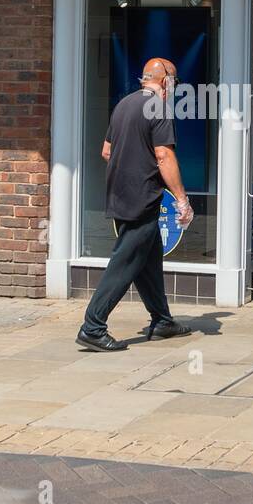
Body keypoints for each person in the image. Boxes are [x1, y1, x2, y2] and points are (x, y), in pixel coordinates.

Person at [77, 58, 194, 352]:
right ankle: (93, 326)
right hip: (141, 198)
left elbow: (107, 151)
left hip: (120, 193)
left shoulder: (124, 105)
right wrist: (182, 199)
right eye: (175, 83)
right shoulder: (159, 108)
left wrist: (130, 166)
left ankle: (162, 320)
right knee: (125, 263)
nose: (174, 89)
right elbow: (164, 156)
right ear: (165, 81)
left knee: (148, 261)